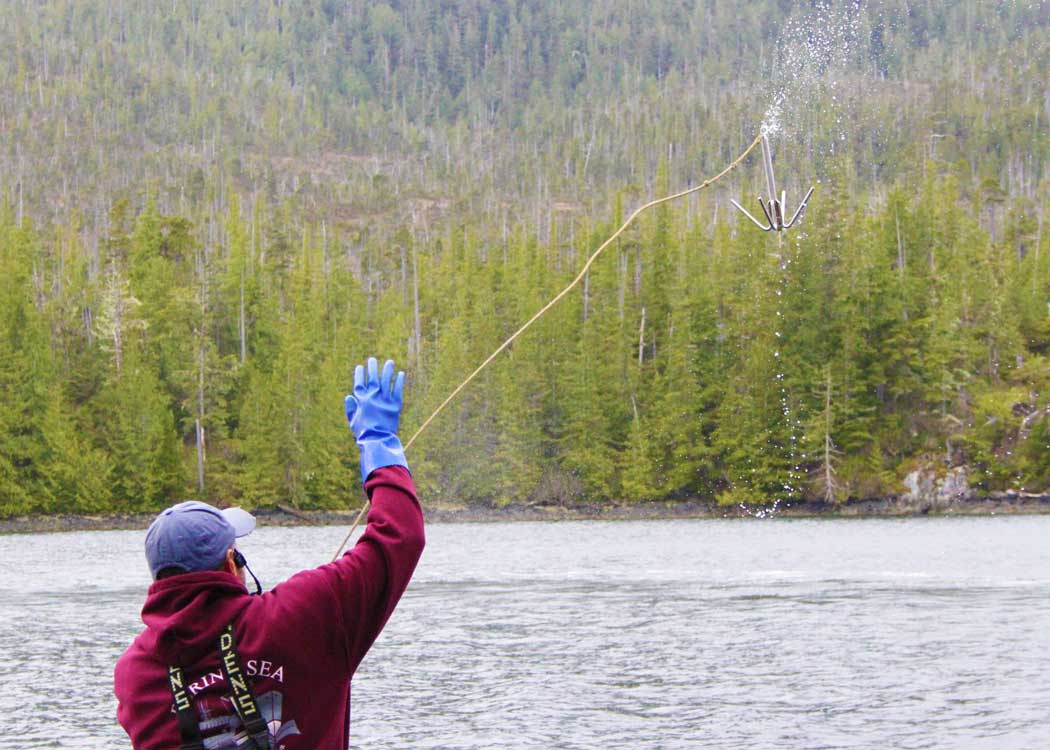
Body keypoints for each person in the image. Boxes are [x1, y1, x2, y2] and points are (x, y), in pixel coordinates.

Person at [114, 358, 424, 750]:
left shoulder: (136, 676)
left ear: (160, 581)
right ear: (231, 563)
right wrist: (378, 442)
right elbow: (400, 535)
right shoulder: (300, 616)